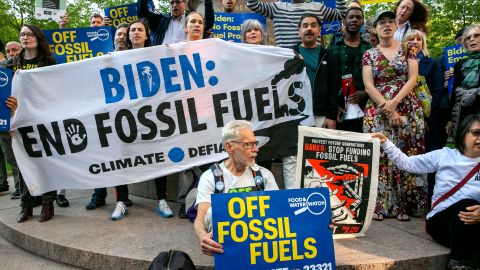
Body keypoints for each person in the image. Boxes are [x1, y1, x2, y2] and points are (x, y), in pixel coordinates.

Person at [371, 113, 480, 270]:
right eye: (476, 133)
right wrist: (386, 143)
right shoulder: (444, 155)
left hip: (475, 224)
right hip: (441, 223)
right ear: (463, 134)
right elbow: (407, 164)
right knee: (468, 204)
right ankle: (459, 263)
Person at [362, 10, 426, 221]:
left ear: (396, 26)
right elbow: (368, 85)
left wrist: (395, 103)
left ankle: (403, 206)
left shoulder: (409, 48)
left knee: (404, 152)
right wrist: (386, 107)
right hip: (378, 109)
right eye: (382, 22)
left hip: (406, 105)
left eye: (391, 21)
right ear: (374, 28)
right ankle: (379, 206)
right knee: (379, 155)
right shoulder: (369, 54)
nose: (387, 25)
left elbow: (413, 77)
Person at [194, 120, 279, 255]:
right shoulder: (210, 177)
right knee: (211, 212)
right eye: (248, 144)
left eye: (255, 143)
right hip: (229, 251)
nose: (256, 149)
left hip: (261, 247)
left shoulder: (264, 175)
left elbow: (280, 212)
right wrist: (203, 237)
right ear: (229, 146)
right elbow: (201, 217)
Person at [281, 14, 339, 190]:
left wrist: (331, 115)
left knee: (318, 160)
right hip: (293, 116)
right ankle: (293, 199)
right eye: (305, 25)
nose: (309, 29)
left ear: (319, 31)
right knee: (291, 158)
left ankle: (316, 201)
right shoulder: (287, 55)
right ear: (299, 31)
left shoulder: (328, 55)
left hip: (320, 115)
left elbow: (333, 87)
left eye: (313, 25)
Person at [9, 24, 57, 222]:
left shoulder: (48, 62)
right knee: (23, 162)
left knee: (45, 161)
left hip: (43, 117)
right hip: (20, 118)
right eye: (22, 35)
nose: (25, 38)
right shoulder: (12, 64)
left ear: (38, 38)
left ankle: (47, 203)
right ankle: (26, 205)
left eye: (29, 34)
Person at [403, 29, 443, 207]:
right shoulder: (400, 62)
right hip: (405, 116)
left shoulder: (431, 63)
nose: (415, 42)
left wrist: (427, 118)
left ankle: (429, 199)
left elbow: (437, 91)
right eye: (411, 39)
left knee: (427, 156)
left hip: (427, 118)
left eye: (418, 39)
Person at [107, 23, 136, 221]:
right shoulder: (105, 59)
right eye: (118, 34)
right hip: (117, 117)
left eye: (125, 35)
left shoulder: (137, 57)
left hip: (139, 115)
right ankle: (121, 200)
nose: (121, 38)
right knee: (119, 159)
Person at [329, 7, 371, 132]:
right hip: (339, 110)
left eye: (358, 18)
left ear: (362, 22)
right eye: (351, 17)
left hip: (365, 108)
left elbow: (377, 79)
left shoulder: (370, 50)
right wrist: (334, 106)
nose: (354, 20)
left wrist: (366, 94)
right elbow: (328, 81)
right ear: (344, 21)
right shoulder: (333, 49)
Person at [247, 0, 347, 48]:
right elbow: (252, 4)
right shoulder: (277, 8)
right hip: (286, 62)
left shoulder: (318, 8)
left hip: (312, 60)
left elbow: (342, 14)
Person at [448, 24, 480, 139]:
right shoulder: (460, 64)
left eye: (476, 35)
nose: (472, 39)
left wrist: (476, 93)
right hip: (463, 115)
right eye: (468, 38)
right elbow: (454, 93)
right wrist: (450, 119)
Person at [137, 0, 214, 45]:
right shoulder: (161, 20)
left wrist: (208, 2)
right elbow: (142, 14)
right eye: (172, 3)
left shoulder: (192, 20)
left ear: (185, 4)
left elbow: (208, 23)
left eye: (177, 2)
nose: (174, 5)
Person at [0, 41, 22, 199]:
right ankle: (19, 185)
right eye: (8, 50)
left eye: (14, 49)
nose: (11, 53)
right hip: (4, 119)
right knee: (10, 155)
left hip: (21, 118)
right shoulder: (3, 70)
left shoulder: (25, 70)